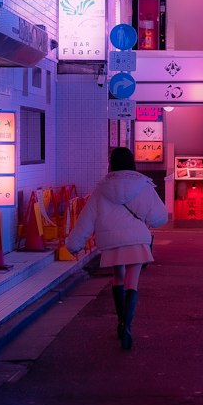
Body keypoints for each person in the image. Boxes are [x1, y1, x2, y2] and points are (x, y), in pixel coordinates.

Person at [66, 146, 167, 350]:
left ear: (112, 164)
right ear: (132, 163)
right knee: (132, 282)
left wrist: (74, 244)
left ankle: (120, 322)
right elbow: (159, 216)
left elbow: (86, 219)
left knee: (118, 278)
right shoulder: (143, 185)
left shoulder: (101, 189)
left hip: (111, 242)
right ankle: (127, 326)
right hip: (137, 240)